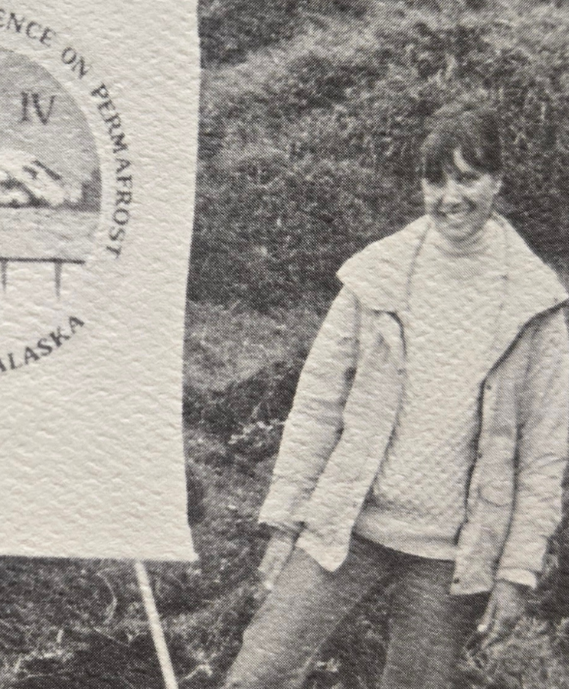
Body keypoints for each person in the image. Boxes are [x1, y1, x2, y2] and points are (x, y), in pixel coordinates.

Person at [224, 104, 569, 689]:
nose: (449, 197)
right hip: (346, 527)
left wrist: (516, 571)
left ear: (497, 183)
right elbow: (317, 408)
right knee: (257, 672)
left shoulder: (537, 306)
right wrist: (286, 526)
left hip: (451, 560)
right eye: (436, 179)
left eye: (468, 178)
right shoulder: (375, 276)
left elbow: (544, 455)